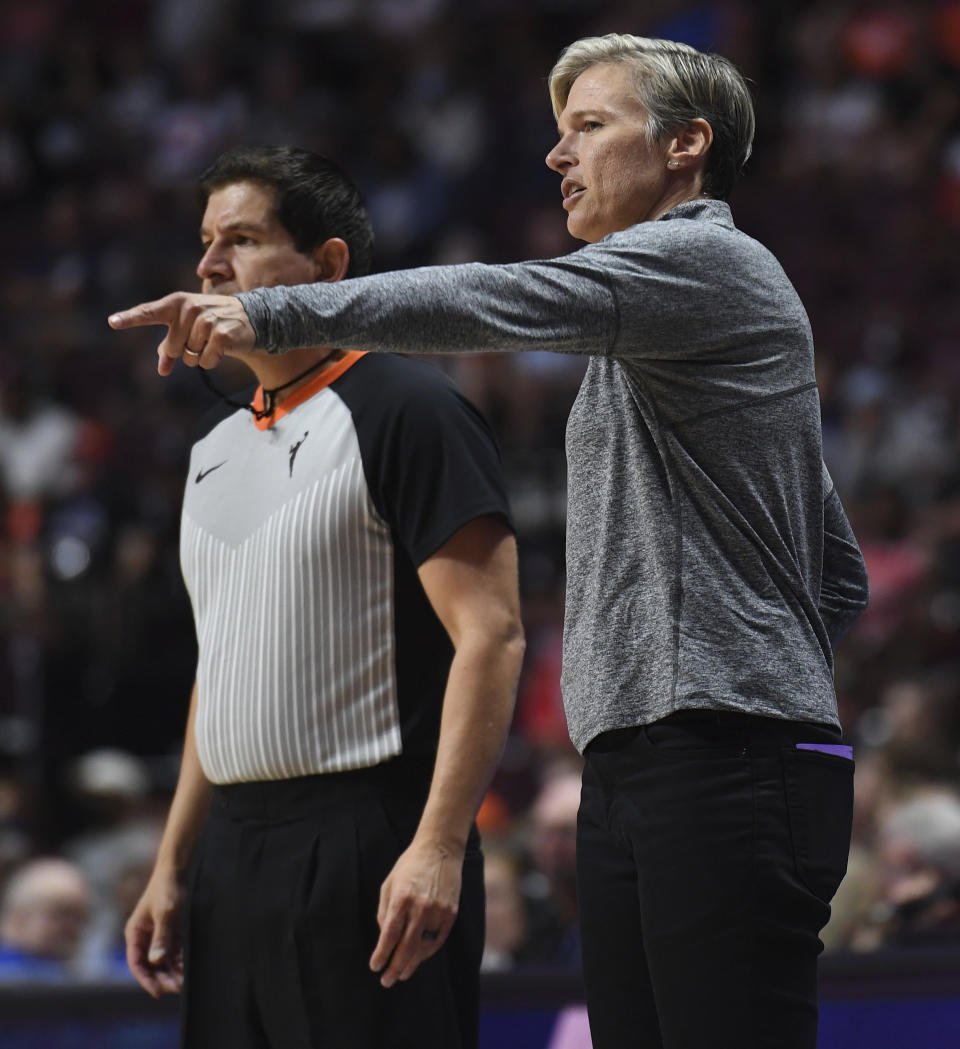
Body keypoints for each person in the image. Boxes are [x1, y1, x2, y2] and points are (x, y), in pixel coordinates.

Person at [110, 35, 871, 1049]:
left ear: (687, 145)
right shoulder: (654, 337)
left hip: (725, 751)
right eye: (558, 134)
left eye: (590, 128)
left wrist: (264, 310)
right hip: (650, 755)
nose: (558, 156)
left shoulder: (710, 261)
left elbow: (491, 297)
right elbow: (836, 567)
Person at [120, 146, 524, 1049]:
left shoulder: (413, 408)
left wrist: (439, 844)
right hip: (232, 848)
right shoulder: (212, 449)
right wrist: (174, 863)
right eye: (206, 243)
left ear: (330, 267)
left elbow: (490, 638)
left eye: (244, 239)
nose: (209, 267)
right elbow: (216, 667)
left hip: (365, 840)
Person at [0, 857, 91, 982]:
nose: (71, 927)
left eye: (79, 917)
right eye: (60, 915)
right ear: (20, 918)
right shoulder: (8, 975)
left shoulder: (78, 972)